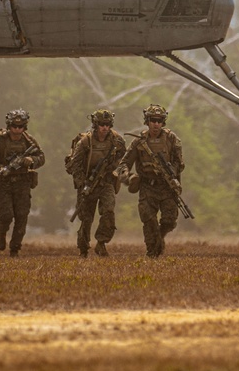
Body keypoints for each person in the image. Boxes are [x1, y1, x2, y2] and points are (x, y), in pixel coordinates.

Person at [119, 103, 184, 257]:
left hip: (166, 187)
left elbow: (179, 163)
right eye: (153, 120)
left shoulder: (171, 139)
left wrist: (171, 174)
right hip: (147, 187)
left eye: (159, 120)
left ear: (163, 122)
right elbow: (123, 165)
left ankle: (159, 237)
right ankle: (152, 253)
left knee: (169, 221)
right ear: (147, 121)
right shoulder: (138, 142)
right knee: (149, 222)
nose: (156, 124)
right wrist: (129, 178)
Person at [67, 108, 127, 257]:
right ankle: (83, 248)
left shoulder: (117, 141)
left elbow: (124, 160)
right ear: (95, 124)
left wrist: (115, 169)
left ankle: (101, 243)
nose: (104, 128)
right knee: (86, 219)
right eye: (101, 124)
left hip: (106, 183)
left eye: (107, 124)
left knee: (108, 211)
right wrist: (82, 184)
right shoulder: (85, 142)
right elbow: (75, 165)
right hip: (88, 183)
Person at [0, 109, 45, 256]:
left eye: (21, 127)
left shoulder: (29, 141)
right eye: (14, 127)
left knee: (22, 215)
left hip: (22, 182)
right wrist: (0, 169)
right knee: (5, 214)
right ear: (9, 126)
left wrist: (31, 161)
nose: (17, 130)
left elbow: (41, 157)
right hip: (3, 182)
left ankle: (15, 248)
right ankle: (1, 232)